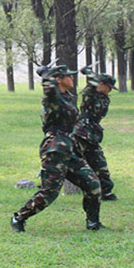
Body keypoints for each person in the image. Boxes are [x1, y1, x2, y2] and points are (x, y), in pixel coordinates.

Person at [10, 65, 103, 232]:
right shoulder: (52, 98)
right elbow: (49, 90)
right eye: (68, 76)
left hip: (71, 149)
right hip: (55, 150)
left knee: (93, 184)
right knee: (49, 193)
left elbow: (93, 90)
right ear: (58, 79)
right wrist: (46, 75)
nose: (72, 79)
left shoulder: (68, 97)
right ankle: (19, 217)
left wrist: (89, 74)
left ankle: (93, 223)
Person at [73, 66, 119, 201]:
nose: (110, 90)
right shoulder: (89, 93)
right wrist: (89, 73)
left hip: (93, 134)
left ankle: (106, 191)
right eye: (108, 86)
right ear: (101, 84)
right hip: (81, 133)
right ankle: (47, 185)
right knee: (68, 161)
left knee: (100, 163)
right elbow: (92, 84)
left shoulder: (104, 97)